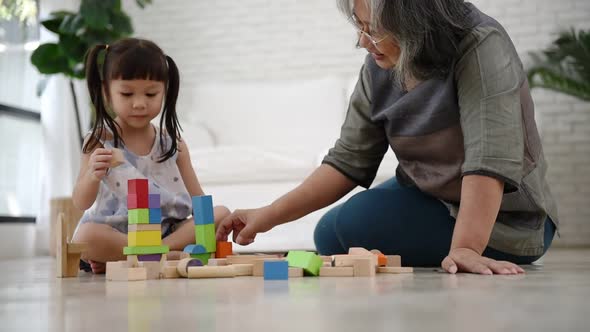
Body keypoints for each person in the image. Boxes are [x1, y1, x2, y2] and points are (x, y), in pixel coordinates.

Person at [216, 0, 559, 275]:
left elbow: (489, 160)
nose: (363, 42)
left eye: (375, 31)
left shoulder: (480, 45)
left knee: (350, 229)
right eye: (359, 26)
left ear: (416, 24)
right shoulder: (377, 65)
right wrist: (268, 214)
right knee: (329, 233)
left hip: (508, 219)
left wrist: (466, 249)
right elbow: (347, 161)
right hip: (431, 194)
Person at [72, 38, 230, 273]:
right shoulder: (99, 140)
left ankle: (149, 254)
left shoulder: (172, 143)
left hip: (168, 232)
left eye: (151, 94)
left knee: (221, 212)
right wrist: (93, 175)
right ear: (106, 91)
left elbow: (199, 199)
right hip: (118, 233)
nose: (139, 104)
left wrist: (209, 229)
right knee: (85, 236)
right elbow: (81, 202)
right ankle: (150, 255)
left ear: (164, 91)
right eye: (126, 94)